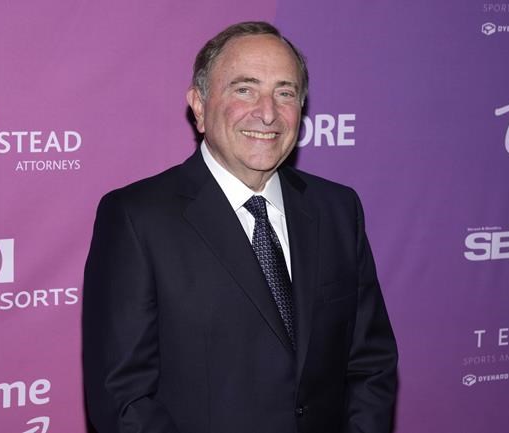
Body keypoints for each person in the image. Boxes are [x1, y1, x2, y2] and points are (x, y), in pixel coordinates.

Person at [83, 21, 397, 433]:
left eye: (285, 93)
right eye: (245, 89)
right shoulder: (136, 218)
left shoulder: (337, 209)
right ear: (199, 106)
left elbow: (370, 364)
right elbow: (124, 399)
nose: (267, 113)